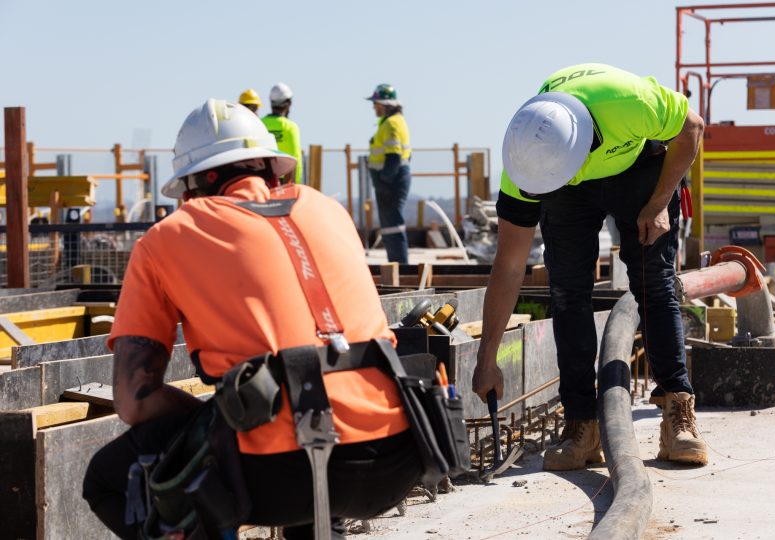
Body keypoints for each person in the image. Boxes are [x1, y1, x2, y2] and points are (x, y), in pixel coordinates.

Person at [82, 99, 421, 539]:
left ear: (195, 184)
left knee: (106, 480)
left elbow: (135, 401)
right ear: (272, 169)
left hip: (278, 475)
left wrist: (212, 412)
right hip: (396, 456)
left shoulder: (168, 237)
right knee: (301, 416)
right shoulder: (329, 210)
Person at [472, 63, 708, 470]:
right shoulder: (526, 162)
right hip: (566, 186)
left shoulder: (625, 103)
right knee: (566, 291)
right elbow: (509, 266)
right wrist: (486, 357)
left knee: (654, 282)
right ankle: (581, 424)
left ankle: (678, 413)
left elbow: (693, 127)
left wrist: (659, 203)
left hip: (639, 165)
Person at [367, 83, 412, 264]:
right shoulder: (393, 122)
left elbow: (393, 156)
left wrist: (384, 180)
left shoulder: (392, 124)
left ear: (385, 104)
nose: (374, 107)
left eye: (376, 103)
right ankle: (397, 264)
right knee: (390, 226)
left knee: (393, 226)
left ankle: (400, 266)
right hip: (394, 180)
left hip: (391, 182)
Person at [262, 82, 303, 184]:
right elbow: (296, 158)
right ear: (289, 103)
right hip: (285, 182)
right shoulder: (291, 127)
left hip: (263, 180)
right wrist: (296, 184)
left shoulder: (260, 123)